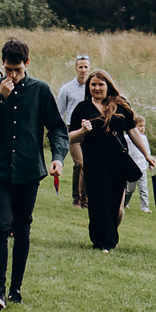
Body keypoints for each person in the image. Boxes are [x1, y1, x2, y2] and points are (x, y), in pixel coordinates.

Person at [0, 38, 70, 309]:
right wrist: (0, 97)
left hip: (28, 170)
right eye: (7, 69)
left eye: (16, 70)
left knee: (23, 228)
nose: (11, 75)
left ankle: (16, 289)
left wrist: (58, 158)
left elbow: (58, 129)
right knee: (0, 227)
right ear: (2, 64)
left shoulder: (40, 90)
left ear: (26, 63)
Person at [69, 69, 144, 250]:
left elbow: (132, 131)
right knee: (99, 200)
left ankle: (110, 239)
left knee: (114, 203)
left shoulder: (120, 106)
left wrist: (146, 155)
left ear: (108, 86)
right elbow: (71, 137)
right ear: (88, 87)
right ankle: (100, 241)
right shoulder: (82, 108)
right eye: (93, 84)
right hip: (95, 161)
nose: (97, 88)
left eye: (100, 84)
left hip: (118, 161)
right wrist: (83, 131)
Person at [59, 52, 92, 207]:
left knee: (90, 164)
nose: (83, 70)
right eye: (80, 67)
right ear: (75, 68)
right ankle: (77, 197)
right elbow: (59, 112)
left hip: (91, 130)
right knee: (80, 163)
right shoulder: (67, 88)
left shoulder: (94, 87)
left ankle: (86, 198)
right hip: (73, 130)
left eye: (86, 67)